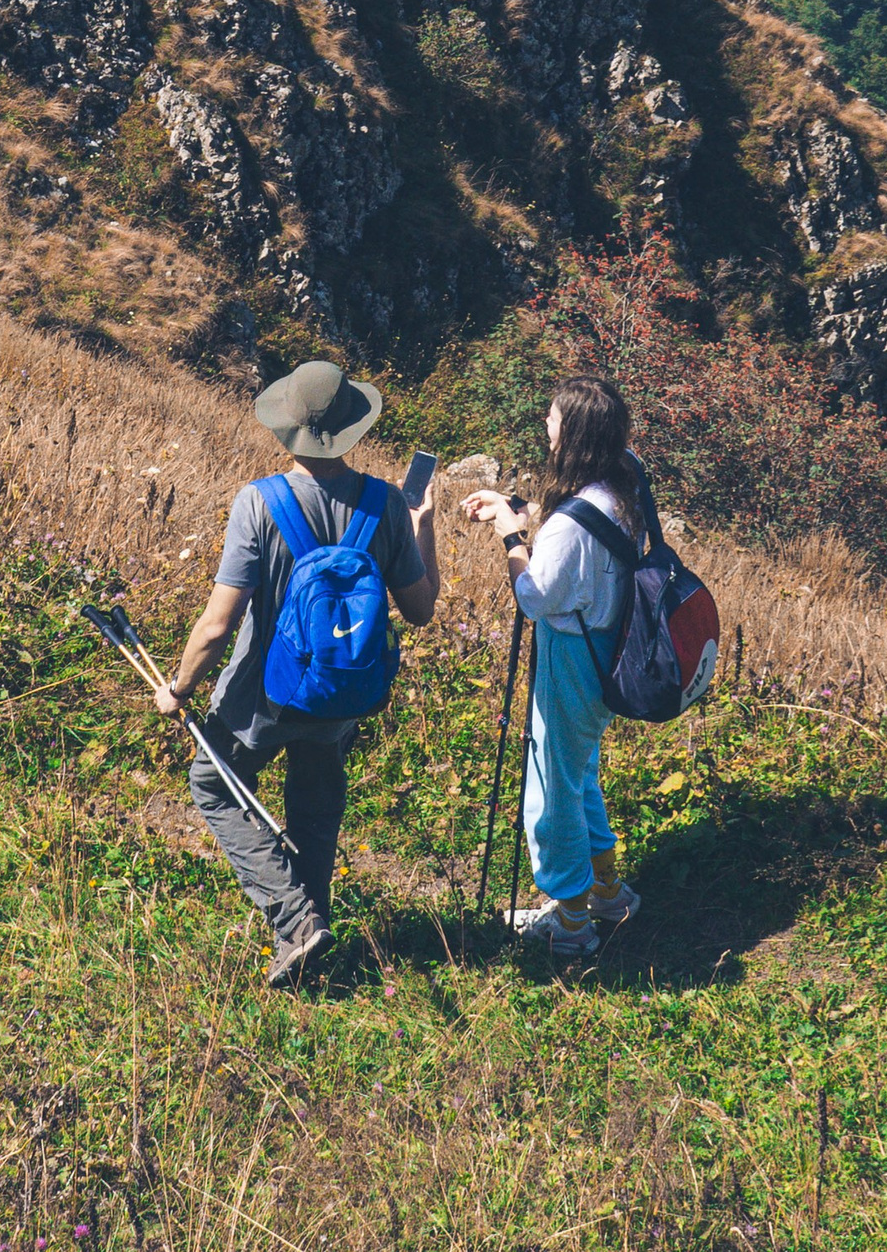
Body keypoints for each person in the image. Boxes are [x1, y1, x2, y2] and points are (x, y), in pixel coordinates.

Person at [152, 355, 438, 985]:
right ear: (352, 428)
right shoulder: (388, 505)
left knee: (213, 784)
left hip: (264, 696)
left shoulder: (259, 503)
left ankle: (296, 921)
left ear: (287, 426)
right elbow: (420, 611)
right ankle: (310, 938)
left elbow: (217, 625)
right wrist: (424, 526)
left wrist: (179, 688)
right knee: (316, 807)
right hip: (342, 694)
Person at [464, 372, 645, 968]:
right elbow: (583, 528)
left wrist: (512, 538)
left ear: (574, 434)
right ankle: (608, 892)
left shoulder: (570, 522)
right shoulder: (624, 483)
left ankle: (570, 921)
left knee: (551, 786)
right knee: (579, 770)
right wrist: (519, 509)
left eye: (554, 417)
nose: (546, 423)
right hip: (609, 648)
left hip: (572, 655)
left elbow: (536, 597)